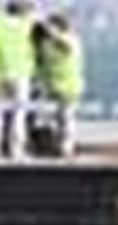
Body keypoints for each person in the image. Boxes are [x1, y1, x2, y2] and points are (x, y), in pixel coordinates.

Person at [0, 0, 36, 159]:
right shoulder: (27, 25)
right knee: (19, 112)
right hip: (20, 72)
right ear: (23, 11)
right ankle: (16, 150)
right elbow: (35, 21)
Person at [36, 10, 84, 156]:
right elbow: (41, 62)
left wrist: (50, 32)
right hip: (51, 85)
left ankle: (65, 148)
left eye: (52, 26)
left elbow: (66, 46)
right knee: (49, 119)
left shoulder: (71, 39)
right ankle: (51, 145)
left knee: (66, 119)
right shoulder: (46, 43)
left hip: (69, 86)